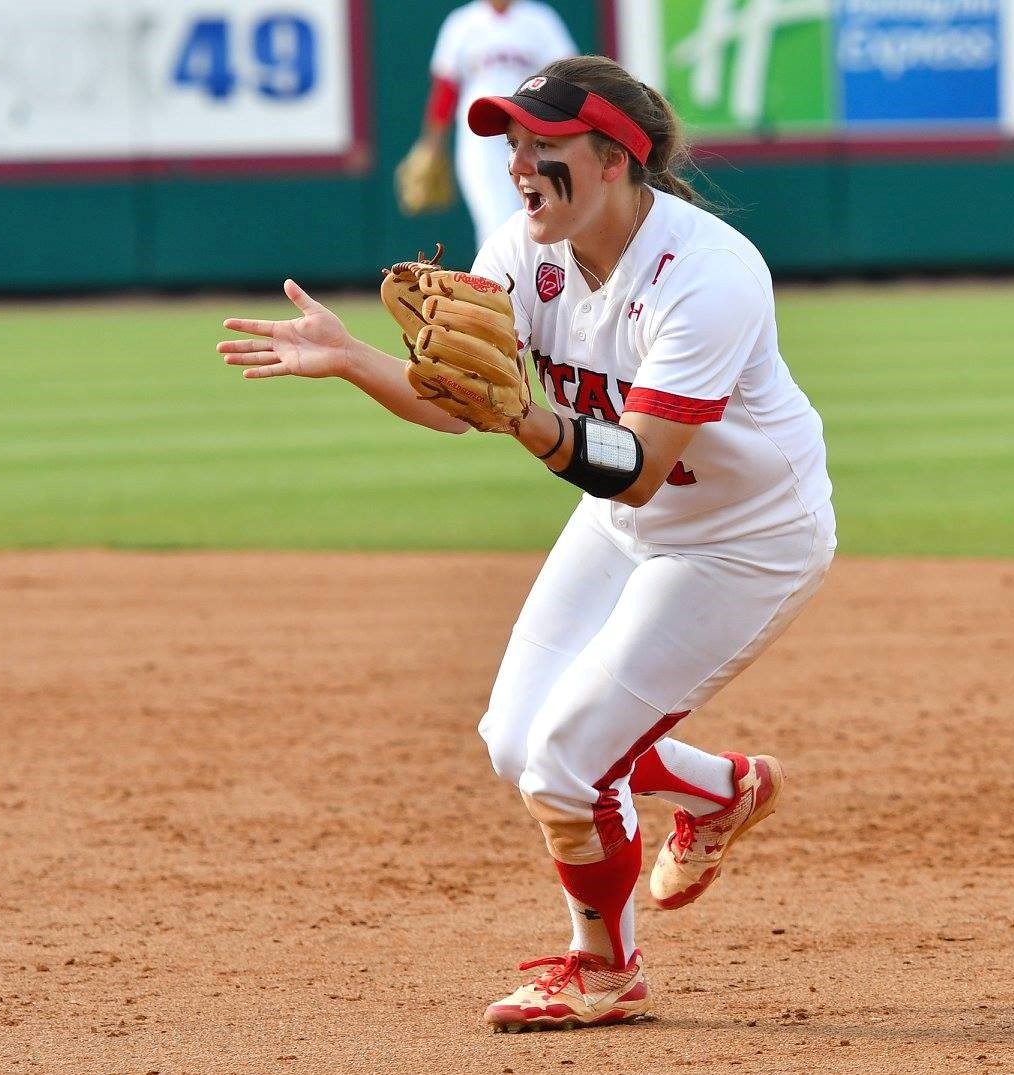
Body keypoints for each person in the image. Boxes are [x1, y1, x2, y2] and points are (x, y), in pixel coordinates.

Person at [217, 55, 834, 1032]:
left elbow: (632, 461)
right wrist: (351, 360)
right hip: (626, 519)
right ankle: (724, 790)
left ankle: (603, 970)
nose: (518, 161)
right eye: (511, 142)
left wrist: (527, 420)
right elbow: (455, 402)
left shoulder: (706, 275)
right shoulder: (519, 249)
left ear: (616, 159)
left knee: (563, 765)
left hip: (742, 537)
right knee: (516, 741)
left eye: (543, 142)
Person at [408, 0, 577, 245]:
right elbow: (446, 88)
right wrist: (432, 143)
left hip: (532, 131)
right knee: (492, 217)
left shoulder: (540, 20)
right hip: (480, 136)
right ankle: (497, 281)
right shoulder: (462, 23)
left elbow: (567, 76)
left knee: (542, 209)